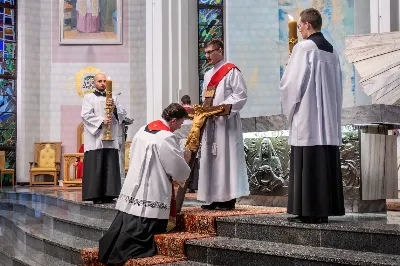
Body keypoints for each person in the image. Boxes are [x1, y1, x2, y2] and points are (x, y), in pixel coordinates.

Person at [98, 103, 191, 265]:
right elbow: (176, 167)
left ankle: (109, 251)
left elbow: (133, 154)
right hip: (152, 190)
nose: (181, 125)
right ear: (174, 120)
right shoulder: (166, 137)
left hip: (134, 184)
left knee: (129, 220)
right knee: (142, 230)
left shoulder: (144, 129)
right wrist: (186, 162)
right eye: (181, 122)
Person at [280, 8, 344, 224]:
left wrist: (288, 110)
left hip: (308, 116)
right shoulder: (333, 51)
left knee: (307, 163)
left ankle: (308, 211)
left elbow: (290, 85)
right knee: (323, 161)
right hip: (327, 119)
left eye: (299, 27)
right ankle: (323, 210)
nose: (299, 31)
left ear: (307, 24)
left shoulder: (304, 48)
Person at [198, 39, 249, 210]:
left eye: (210, 52)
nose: (207, 56)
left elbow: (240, 94)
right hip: (212, 123)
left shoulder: (231, 71)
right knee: (212, 160)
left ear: (220, 51)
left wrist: (223, 108)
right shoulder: (207, 75)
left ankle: (228, 199)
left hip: (226, 124)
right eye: (205, 53)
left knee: (226, 159)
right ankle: (213, 197)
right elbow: (206, 98)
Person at [81, 73, 127, 204]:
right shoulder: (88, 97)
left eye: (104, 81)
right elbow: (85, 115)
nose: (102, 83)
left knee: (110, 164)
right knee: (97, 163)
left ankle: (110, 193)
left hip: (110, 137)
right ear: (94, 83)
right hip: (96, 137)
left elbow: (123, 114)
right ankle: (95, 195)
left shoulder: (113, 98)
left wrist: (114, 109)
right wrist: (101, 121)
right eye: (99, 81)